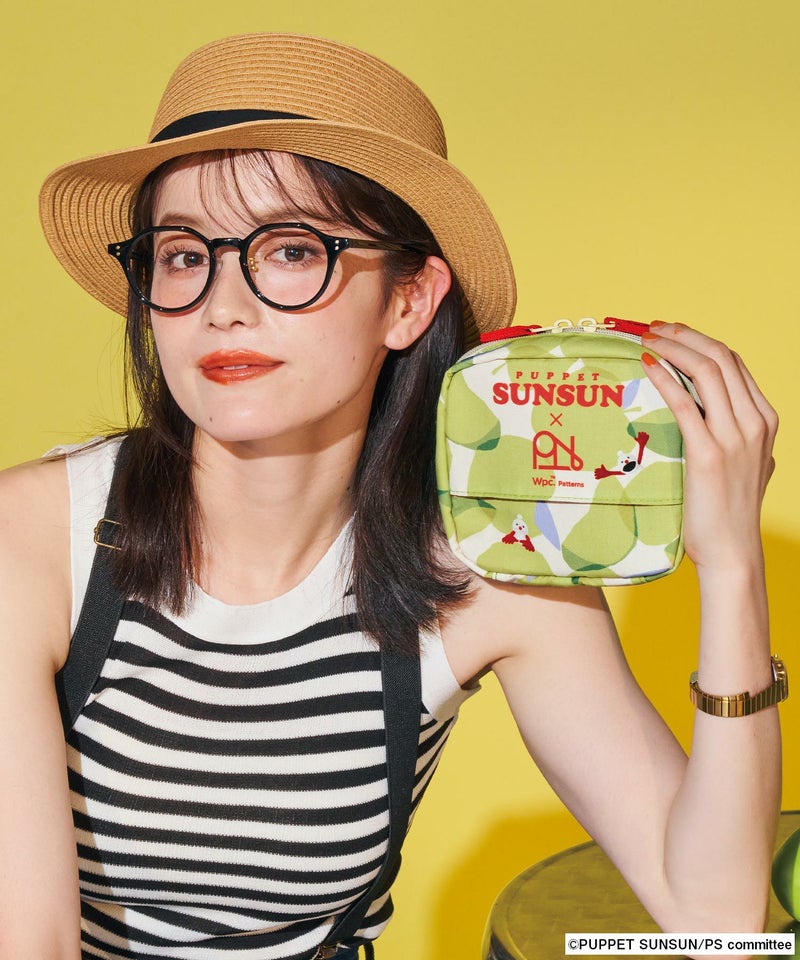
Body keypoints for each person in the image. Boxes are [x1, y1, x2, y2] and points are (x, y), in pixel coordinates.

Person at [0, 32, 783, 960]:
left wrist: (731, 569)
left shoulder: (489, 563)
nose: (222, 304)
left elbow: (715, 916)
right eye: (181, 255)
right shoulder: (36, 538)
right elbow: (31, 937)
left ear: (409, 301)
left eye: (291, 250)